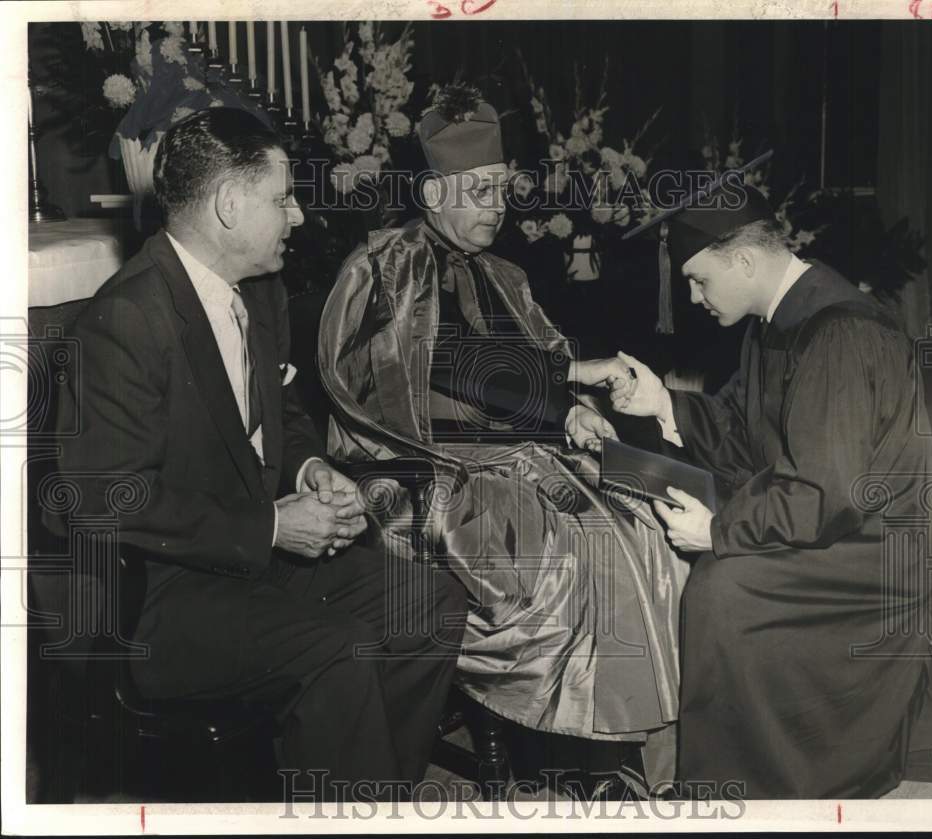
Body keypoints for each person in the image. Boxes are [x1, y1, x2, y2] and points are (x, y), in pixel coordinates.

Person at [45, 108, 467, 800]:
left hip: (256, 564)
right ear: (229, 206)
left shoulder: (260, 291)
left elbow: (284, 416)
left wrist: (312, 468)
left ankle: (364, 794)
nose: (298, 216)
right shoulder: (126, 319)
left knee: (429, 602)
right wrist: (273, 526)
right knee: (336, 648)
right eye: (283, 199)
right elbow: (99, 499)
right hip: (161, 599)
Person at [317, 84, 688, 786]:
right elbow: (435, 369)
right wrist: (571, 373)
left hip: (520, 455)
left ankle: (636, 749)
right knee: (580, 549)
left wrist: (571, 407)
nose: (498, 205)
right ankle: (573, 758)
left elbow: (531, 367)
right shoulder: (383, 267)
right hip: (420, 471)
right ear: (431, 193)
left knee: (653, 510)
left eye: (502, 187)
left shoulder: (504, 272)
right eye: (480, 190)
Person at [608, 178, 932, 798]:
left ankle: (739, 785)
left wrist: (720, 531)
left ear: (745, 260)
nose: (694, 298)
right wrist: (662, 403)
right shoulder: (777, 322)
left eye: (699, 280)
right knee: (676, 538)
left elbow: (825, 493)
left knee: (725, 590)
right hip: (842, 524)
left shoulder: (839, 332)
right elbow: (744, 436)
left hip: (877, 551)